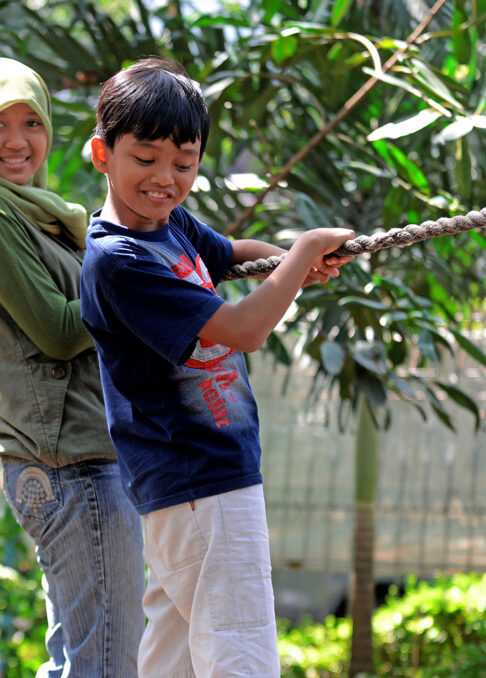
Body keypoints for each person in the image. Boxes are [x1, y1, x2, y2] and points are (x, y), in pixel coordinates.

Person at [79, 57, 356, 678]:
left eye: (184, 162)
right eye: (144, 158)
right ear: (102, 153)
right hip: (203, 481)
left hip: (187, 490)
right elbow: (244, 329)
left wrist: (289, 263)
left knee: (174, 658)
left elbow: (232, 256)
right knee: (239, 653)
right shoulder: (119, 259)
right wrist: (306, 250)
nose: (165, 178)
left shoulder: (167, 224)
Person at [0, 57, 145, 677]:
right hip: (70, 463)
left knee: (80, 659)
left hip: (76, 459)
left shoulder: (32, 211)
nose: (17, 141)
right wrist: (141, 287)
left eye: (31, 122)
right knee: (106, 665)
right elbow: (56, 331)